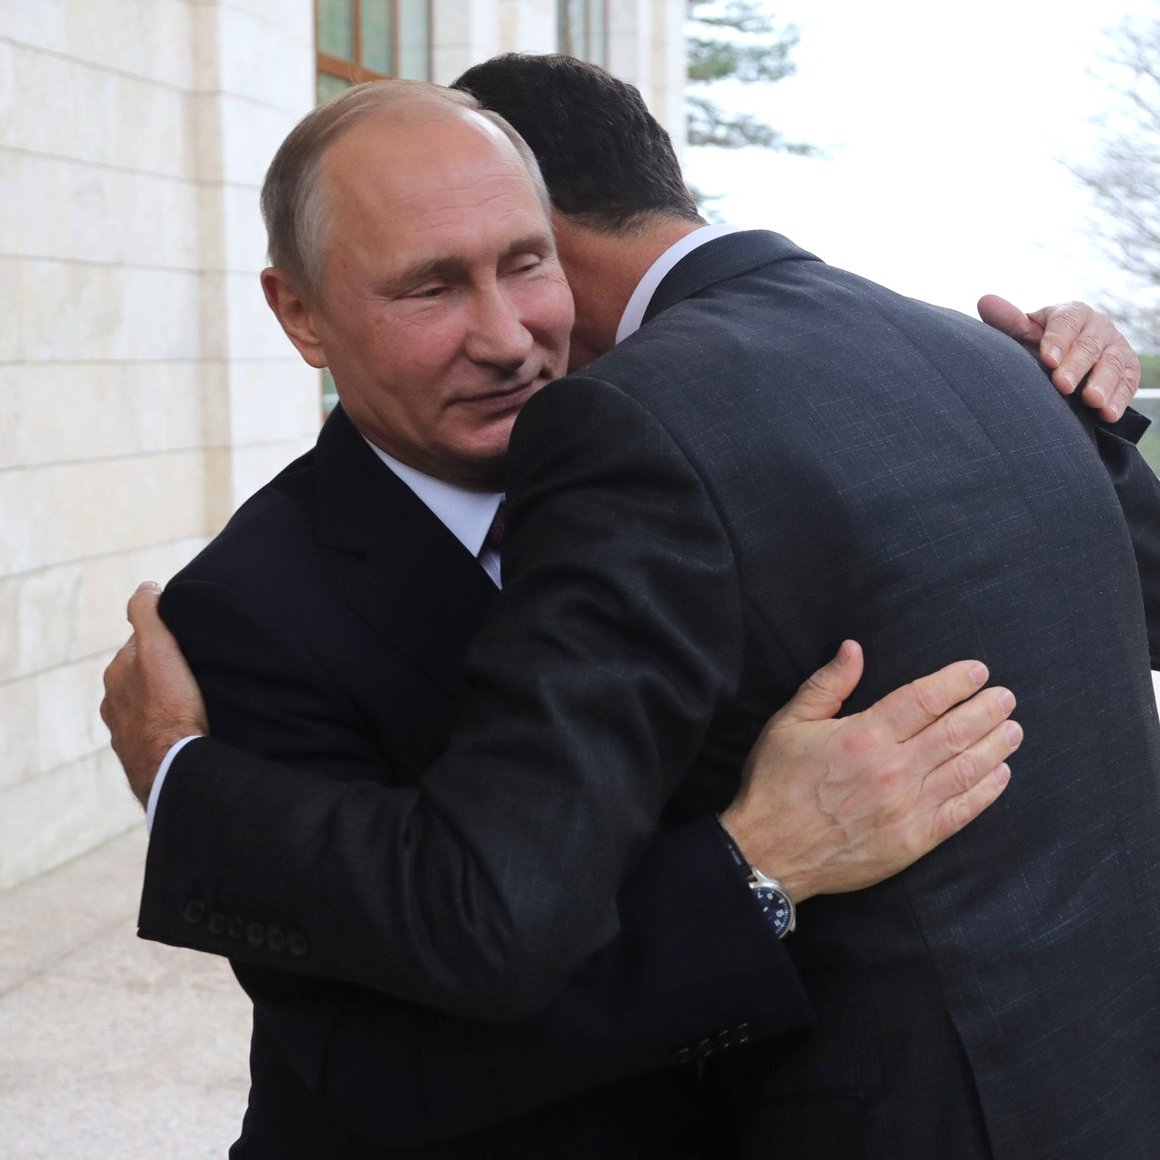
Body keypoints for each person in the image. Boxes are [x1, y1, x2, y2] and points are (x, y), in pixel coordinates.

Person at [100, 68, 1160, 1158]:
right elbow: (377, 1066)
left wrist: (1069, 404)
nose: (508, 336)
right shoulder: (244, 615)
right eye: (429, 289)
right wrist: (756, 864)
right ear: (300, 312)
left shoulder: (691, 453)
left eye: (526, 263)